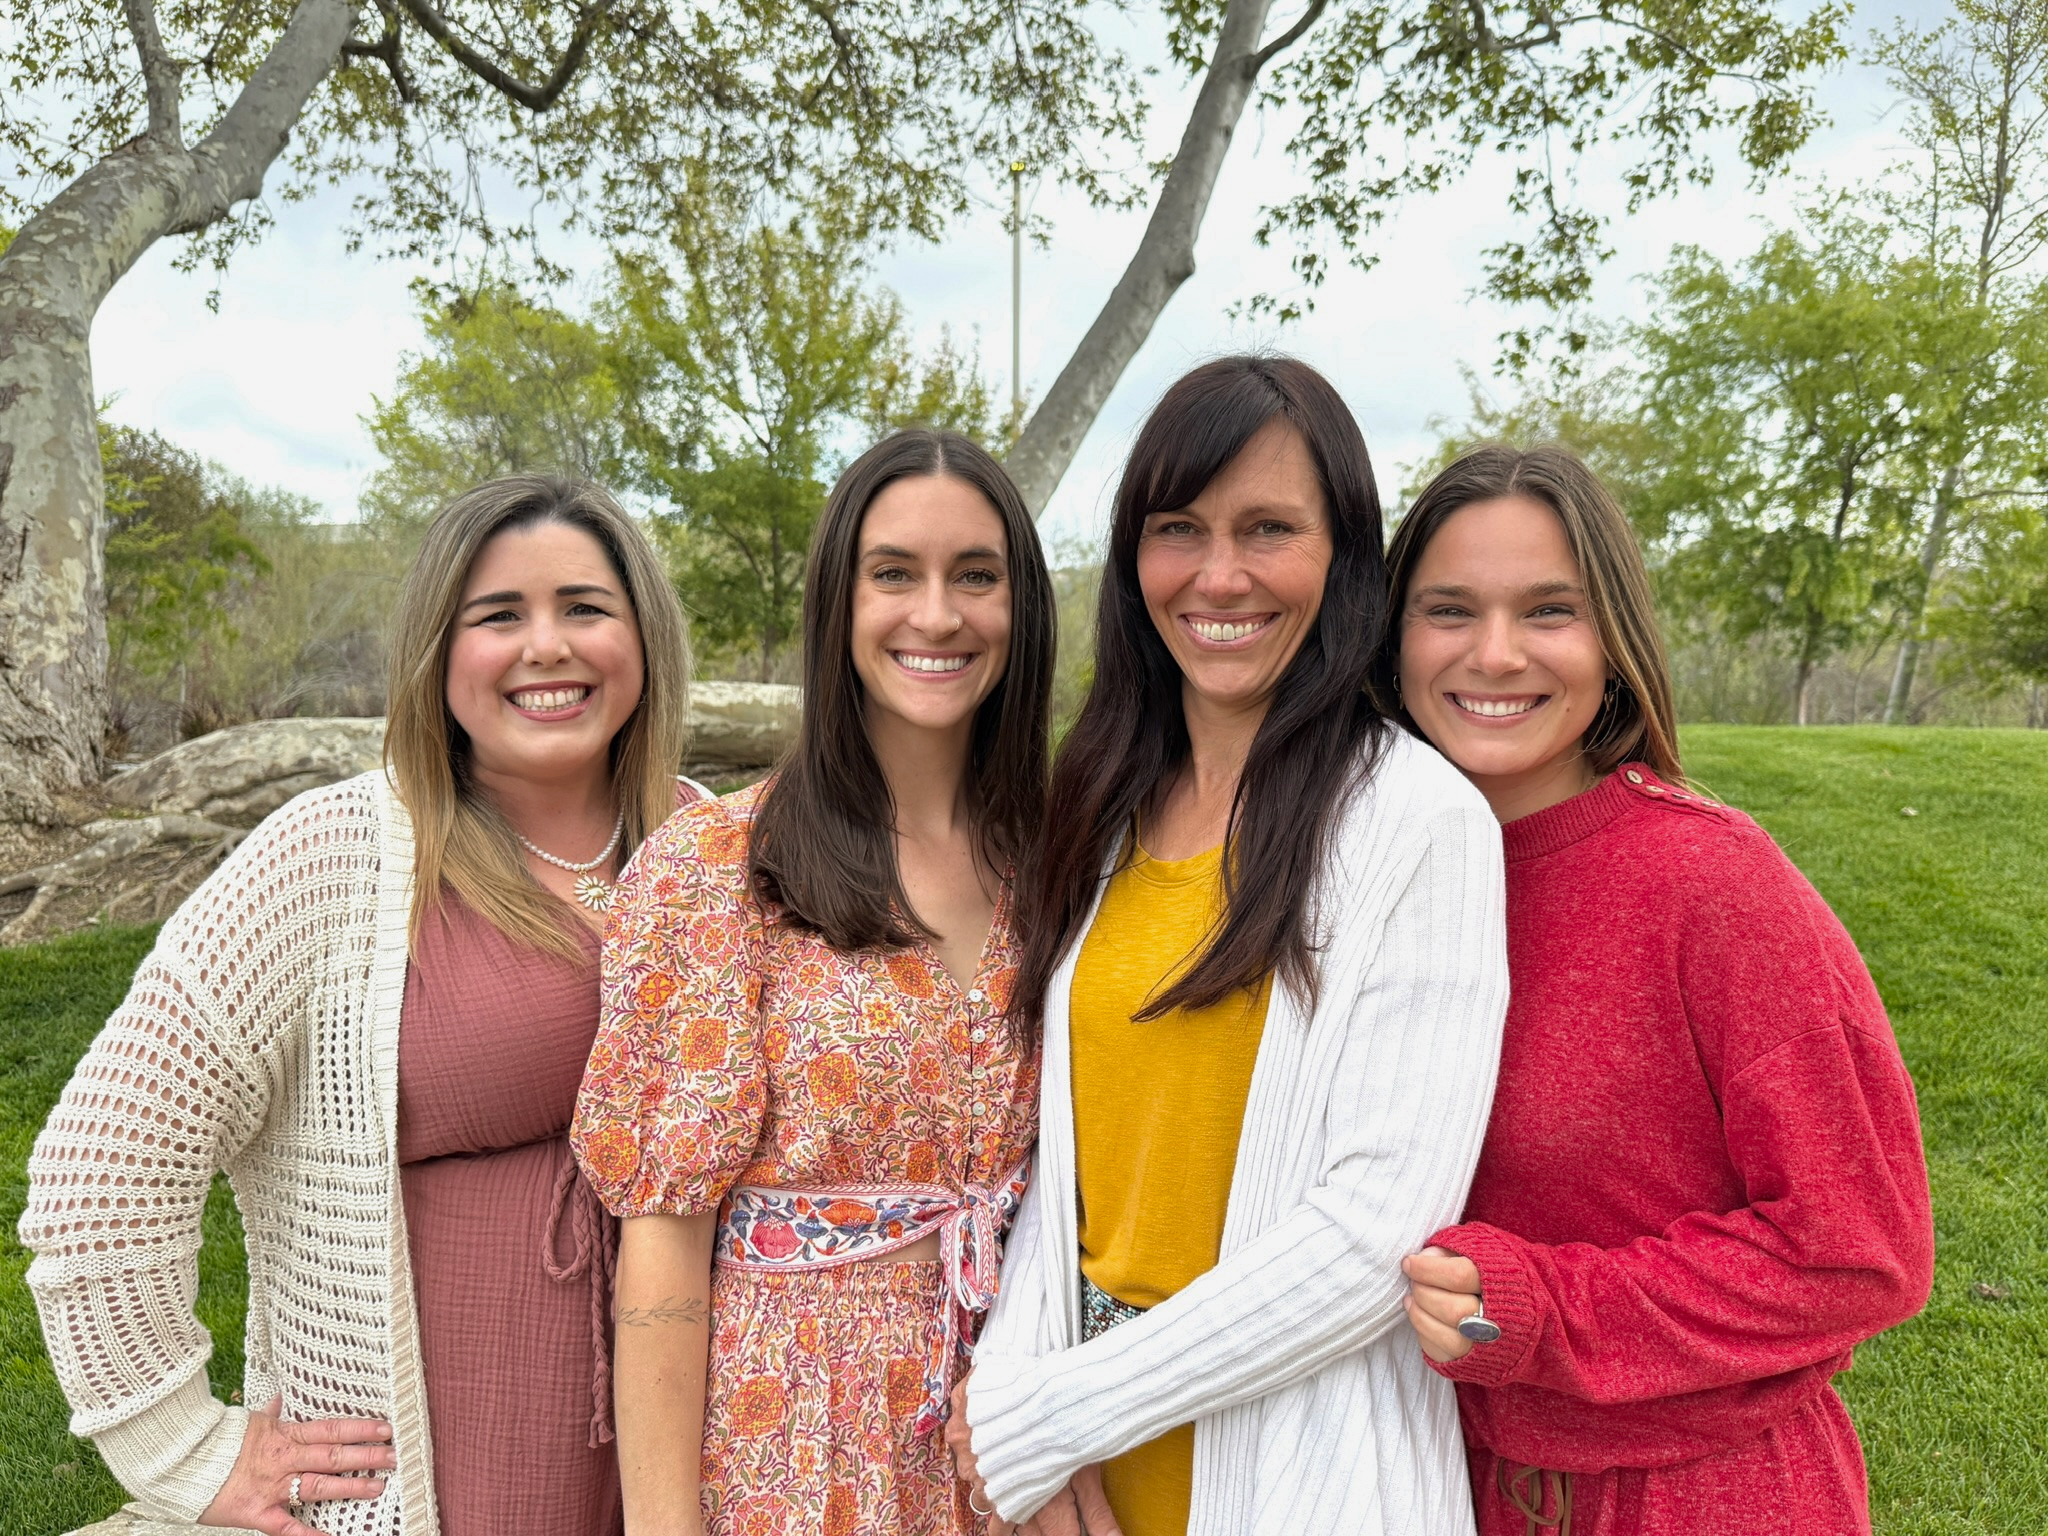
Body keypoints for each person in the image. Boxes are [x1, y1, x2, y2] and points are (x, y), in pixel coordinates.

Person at [20, 474, 696, 1536]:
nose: (547, 646)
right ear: (438, 652)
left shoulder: (713, 848)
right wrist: (185, 1450)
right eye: (499, 616)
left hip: (700, 1458)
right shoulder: (329, 858)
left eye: (584, 607)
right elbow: (98, 1170)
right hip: (442, 1482)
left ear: (644, 636)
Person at [948, 355, 1511, 1536]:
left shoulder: (1415, 819)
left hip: (1301, 1462)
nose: (1217, 574)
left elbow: (1376, 1229)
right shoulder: (1100, 802)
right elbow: (1070, 1159)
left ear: (1342, 555)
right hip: (1092, 1462)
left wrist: (1054, 1416)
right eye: (1177, 528)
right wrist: (1016, 1401)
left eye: (1268, 529)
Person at [1385, 444, 1935, 1536]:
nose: (1492, 654)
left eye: (1548, 611)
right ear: (1388, 636)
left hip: (1695, 1495)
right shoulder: (1369, 878)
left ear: (1612, 639)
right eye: (1446, 609)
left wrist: (1546, 1309)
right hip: (1434, 1484)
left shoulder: (1710, 881)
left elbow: (1859, 1246)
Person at [569, 428, 1056, 1536]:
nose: (936, 615)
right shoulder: (715, 873)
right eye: (894, 574)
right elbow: (663, 1238)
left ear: (1020, 606)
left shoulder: (1064, 866)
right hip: (801, 1439)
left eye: (975, 577)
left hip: (1017, 1428)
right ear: (838, 601)